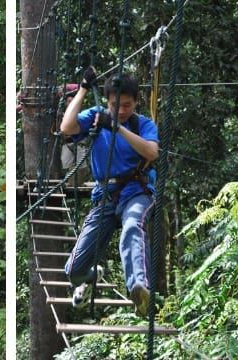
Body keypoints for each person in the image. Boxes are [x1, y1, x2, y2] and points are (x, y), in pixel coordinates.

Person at [59, 67, 159, 318]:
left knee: (133, 226)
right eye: (116, 105)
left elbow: (151, 152)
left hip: (137, 191)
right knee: (74, 271)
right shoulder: (96, 116)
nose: (122, 110)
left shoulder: (142, 124)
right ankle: (93, 275)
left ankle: (139, 289)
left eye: (127, 105)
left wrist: (118, 127)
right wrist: (82, 88)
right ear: (108, 102)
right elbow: (67, 127)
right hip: (104, 196)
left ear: (136, 102)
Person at [58, 84, 91, 186]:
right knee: (67, 165)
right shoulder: (61, 114)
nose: (70, 103)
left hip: (79, 143)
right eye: (68, 101)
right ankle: (70, 184)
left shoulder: (80, 114)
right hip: (67, 144)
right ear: (65, 103)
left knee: (81, 166)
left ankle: (77, 184)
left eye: (72, 101)